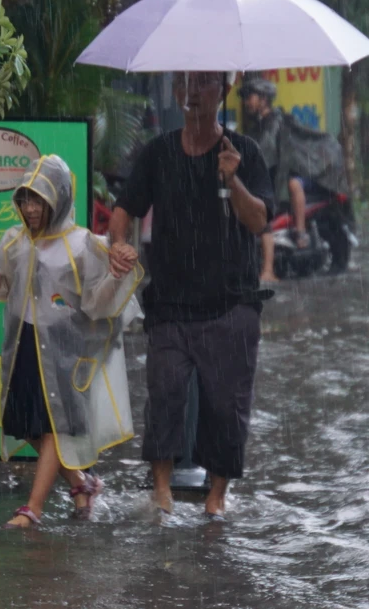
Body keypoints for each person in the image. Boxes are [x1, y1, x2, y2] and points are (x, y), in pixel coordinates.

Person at [108, 70, 275, 521]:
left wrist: (232, 180)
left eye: (204, 83)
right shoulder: (159, 153)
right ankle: (161, 494)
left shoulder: (246, 154)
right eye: (185, 84)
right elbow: (125, 208)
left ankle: (215, 500)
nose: (193, 93)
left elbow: (259, 221)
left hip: (231, 303)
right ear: (177, 92)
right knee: (164, 395)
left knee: (227, 407)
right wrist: (117, 244)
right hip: (170, 304)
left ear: (223, 91)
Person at [0, 155, 143, 529]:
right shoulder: (16, 241)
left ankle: (32, 509)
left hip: (64, 350)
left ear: (57, 199)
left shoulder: (83, 245)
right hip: (24, 344)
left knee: (55, 427)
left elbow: (95, 301)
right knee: (26, 425)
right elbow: (3, 286)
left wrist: (115, 274)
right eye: (25, 200)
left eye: (38, 201)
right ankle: (81, 484)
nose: (30, 209)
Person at [239, 77, 309, 283]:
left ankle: (268, 270)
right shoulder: (257, 124)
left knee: (262, 218)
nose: (246, 102)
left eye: (249, 97)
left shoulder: (276, 122)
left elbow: (266, 150)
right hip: (263, 177)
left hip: (276, 178)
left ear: (263, 99)